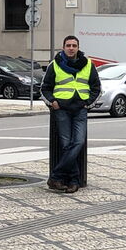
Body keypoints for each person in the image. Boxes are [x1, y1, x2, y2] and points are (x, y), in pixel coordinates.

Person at [41, 35, 101, 194]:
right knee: (67, 145)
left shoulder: (88, 64)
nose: (71, 48)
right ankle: (74, 181)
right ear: (63, 47)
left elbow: (97, 88)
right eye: (68, 45)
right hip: (61, 109)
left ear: (78, 48)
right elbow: (44, 88)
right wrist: (52, 102)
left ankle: (55, 176)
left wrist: (88, 103)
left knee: (78, 142)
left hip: (80, 109)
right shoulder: (55, 65)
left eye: (74, 45)